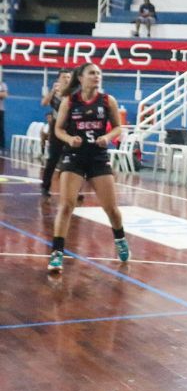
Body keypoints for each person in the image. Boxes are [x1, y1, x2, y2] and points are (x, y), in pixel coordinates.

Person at [47, 63, 130, 274]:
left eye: (99, 73)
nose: (96, 76)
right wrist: (69, 138)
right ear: (81, 78)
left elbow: (119, 127)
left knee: (111, 208)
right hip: (74, 157)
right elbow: (58, 129)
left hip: (97, 158)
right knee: (66, 205)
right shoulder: (70, 101)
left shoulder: (107, 100)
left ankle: (120, 238)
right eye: (92, 73)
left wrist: (108, 137)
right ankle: (57, 253)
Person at [40, 68, 72, 197]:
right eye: (64, 77)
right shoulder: (55, 92)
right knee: (53, 158)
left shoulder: (73, 92)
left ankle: (74, 190)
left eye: (69, 77)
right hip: (55, 127)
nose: (66, 79)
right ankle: (45, 187)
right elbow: (44, 103)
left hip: (69, 127)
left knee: (73, 159)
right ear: (59, 79)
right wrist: (53, 91)